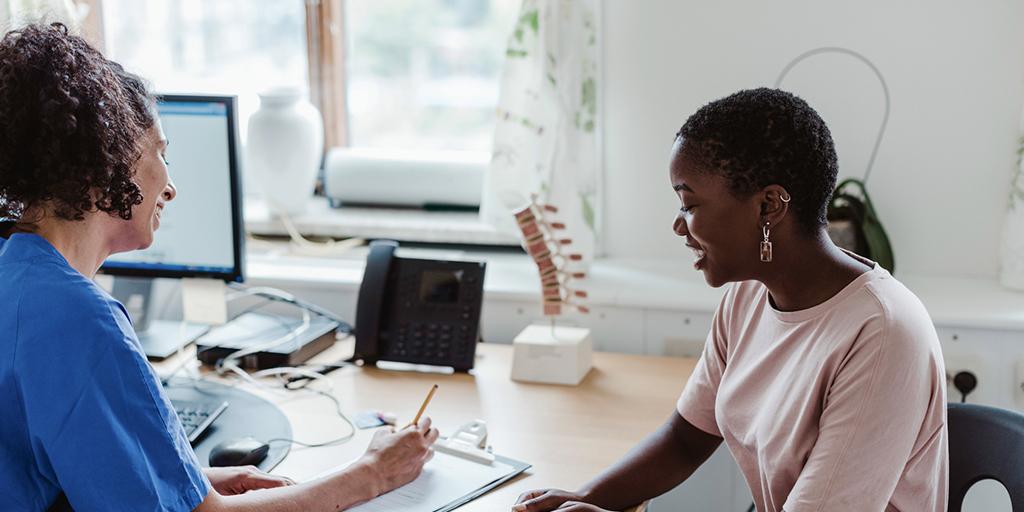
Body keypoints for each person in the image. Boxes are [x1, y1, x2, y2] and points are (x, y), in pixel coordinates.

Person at [0, 23, 438, 512]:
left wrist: (185, 477)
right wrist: (373, 473)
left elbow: (45, 463)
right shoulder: (80, 321)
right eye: (161, 154)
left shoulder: (15, 276)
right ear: (109, 162)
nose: (169, 187)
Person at [512, 88, 948, 512]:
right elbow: (685, 440)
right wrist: (588, 497)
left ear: (768, 206)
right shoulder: (749, 294)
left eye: (688, 203)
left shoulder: (883, 332)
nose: (679, 227)